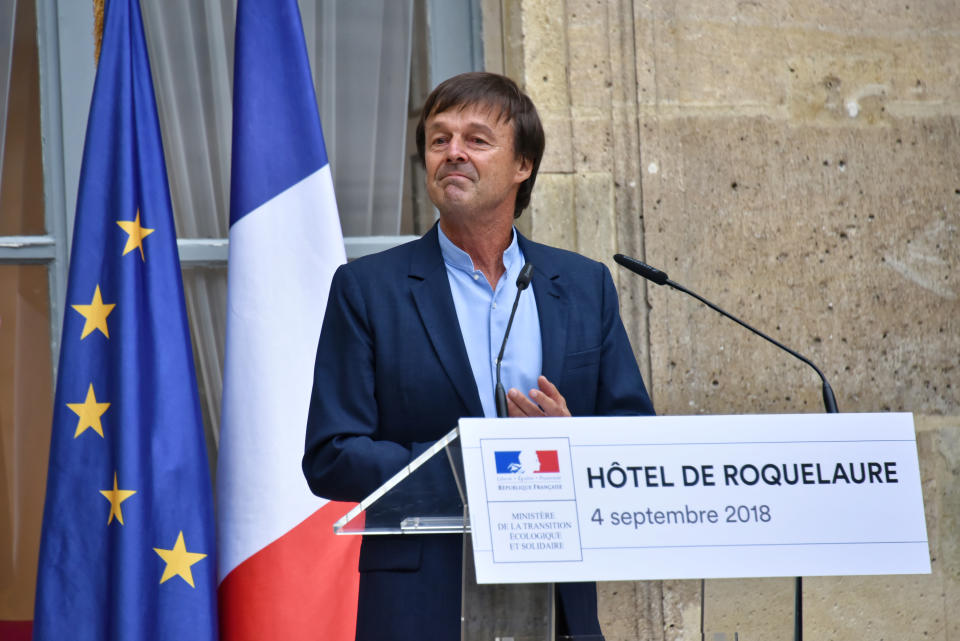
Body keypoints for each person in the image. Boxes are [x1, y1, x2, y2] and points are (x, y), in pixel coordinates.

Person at [303, 71, 655, 641]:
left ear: (524, 165)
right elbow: (331, 454)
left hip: (556, 595)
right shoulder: (368, 289)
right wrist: (475, 471)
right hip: (419, 603)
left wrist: (573, 443)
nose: (453, 154)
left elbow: (635, 436)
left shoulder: (583, 286)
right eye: (439, 139)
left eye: (476, 139)